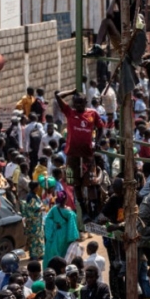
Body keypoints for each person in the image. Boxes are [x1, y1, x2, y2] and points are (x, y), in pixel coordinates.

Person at [54, 89, 104, 229]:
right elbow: (57, 96)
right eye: (76, 103)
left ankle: (94, 212)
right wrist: (72, 92)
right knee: (75, 184)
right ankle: (84, 210)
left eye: (81, 103)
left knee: (91, 182)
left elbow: (101, 128)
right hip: (72, 154)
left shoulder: (92, 114)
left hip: (88, 154)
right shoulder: (70, 112)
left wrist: (98, 142)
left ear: (85, 103)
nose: (78, 106)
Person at [42, 190, 79, 270]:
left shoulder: (54, 209)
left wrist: (54, 225)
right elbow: (72, 226)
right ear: (66, 199)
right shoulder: (69, 212)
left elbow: (48, 219)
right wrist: (73, 238)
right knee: (64, 255)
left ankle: (51, 270)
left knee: (53, 254)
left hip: (55, 234)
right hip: (65, 236)